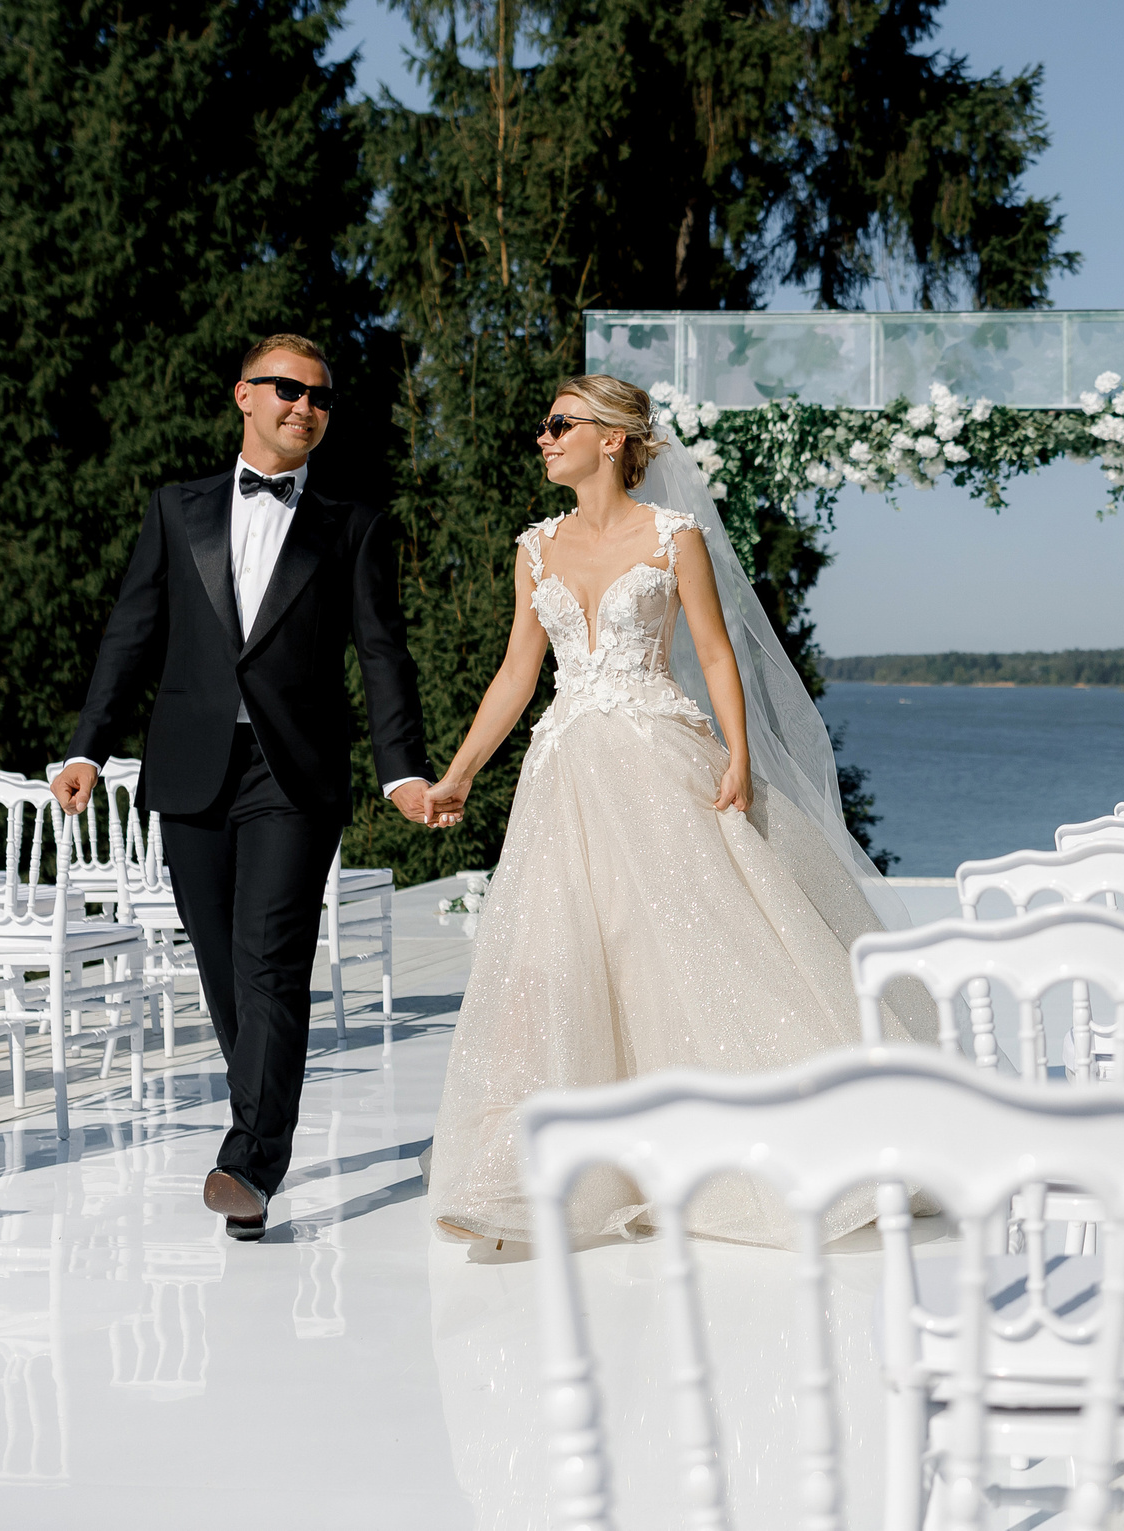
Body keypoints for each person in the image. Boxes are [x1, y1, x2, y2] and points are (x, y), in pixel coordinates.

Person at [421, 373, 926, 1249]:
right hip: (564, 777)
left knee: (699, 946)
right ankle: (537, 1176)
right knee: (557, 960)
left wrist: (738, 753)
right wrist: (459, 772)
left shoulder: (673, 535)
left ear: (612, 437)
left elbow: (716, 654)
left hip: (658, 761)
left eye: (560, 423)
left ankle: (785, 1150)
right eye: (545, 425)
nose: (543, 437)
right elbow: (517, 673)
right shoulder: (536, 547)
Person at [52, 333, 438, 1242]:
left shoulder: (352, 523)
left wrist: (402, 767)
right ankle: (258, 1132)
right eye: (289, 389)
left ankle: (251, 1161)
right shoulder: (175, 508)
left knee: (270, 960)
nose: (306, 407)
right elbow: (131, 633)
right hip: (189, 767)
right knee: (224, 964)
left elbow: (382, 654)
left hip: (292, 773)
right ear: (244, 395)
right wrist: (87, 749)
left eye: (321, 398)